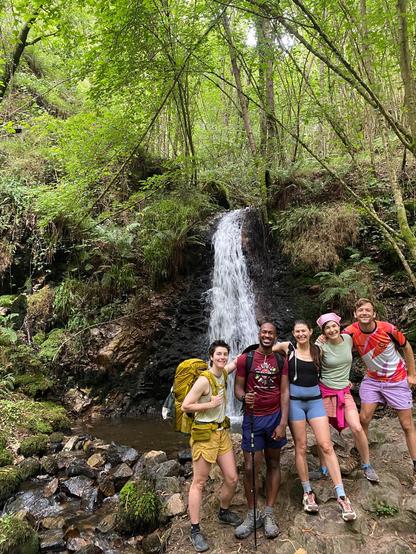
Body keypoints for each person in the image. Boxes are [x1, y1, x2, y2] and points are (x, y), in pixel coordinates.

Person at [273, 320, 356, 521]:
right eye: (297, 331)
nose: (301, 334)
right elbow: (265, 349)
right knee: (300, 447)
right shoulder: (287, 347)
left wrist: (344, 383)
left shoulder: (319, 349)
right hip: (294, 403)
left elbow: (339, 357)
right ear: (293, 333)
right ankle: (307, 493)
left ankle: (342, 496)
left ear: (310, 332)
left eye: (304, 331)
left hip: (316, 401)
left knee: (326, 445)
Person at [342, 298, 416, 492]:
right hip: (373, 380)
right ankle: (358, 455)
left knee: (407, 425)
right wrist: (323, 337)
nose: (364, 313)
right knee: (363, 418)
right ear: (356, 315)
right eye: (360, 310)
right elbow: (336, 343)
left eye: (368, 310)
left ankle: (415, 468)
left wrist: (411, 374)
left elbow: (406, 347)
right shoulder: (350, 332)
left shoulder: (388, 329)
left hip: (396, 379)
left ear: (374, 314)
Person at [181, 340, 242, 552]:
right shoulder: (203, 380)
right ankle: (195, 529)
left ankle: (223, 511)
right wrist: (210, 404)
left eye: (225, 354)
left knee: (232, 478)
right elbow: (185, 405)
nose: (222, 357)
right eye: (219, 354)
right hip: (204, 434)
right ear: (211, 356)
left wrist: (273, 348)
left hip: (222, 433)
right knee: (199, 482)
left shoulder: (223, 373)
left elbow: (235, 363)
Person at [233, 320, 289, 540]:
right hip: (252, 419)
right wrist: (242, 396)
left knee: (273, 463)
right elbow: (238, 388)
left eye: (271, 333)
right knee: (249, 468)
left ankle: (269, 512)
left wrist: (283, 423)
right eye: (264, 332)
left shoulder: (280, 360)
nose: (267, 335)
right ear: (259, 334)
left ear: (275, 336)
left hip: (274, 417)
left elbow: (285, 392)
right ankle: (252, 513)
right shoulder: (244, 359)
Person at [313, 312, 379, 482]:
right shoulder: (320, 346)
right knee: (324, 433)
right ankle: (323, 468)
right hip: (326, 392)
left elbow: (367, 339)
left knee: (357, 427)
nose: (331, 329)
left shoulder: (348, 340)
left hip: (344, 392)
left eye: (333, 326)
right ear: (323, 331)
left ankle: (366, 465)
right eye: (327, 328)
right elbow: (311, 362)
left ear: (339, 326)